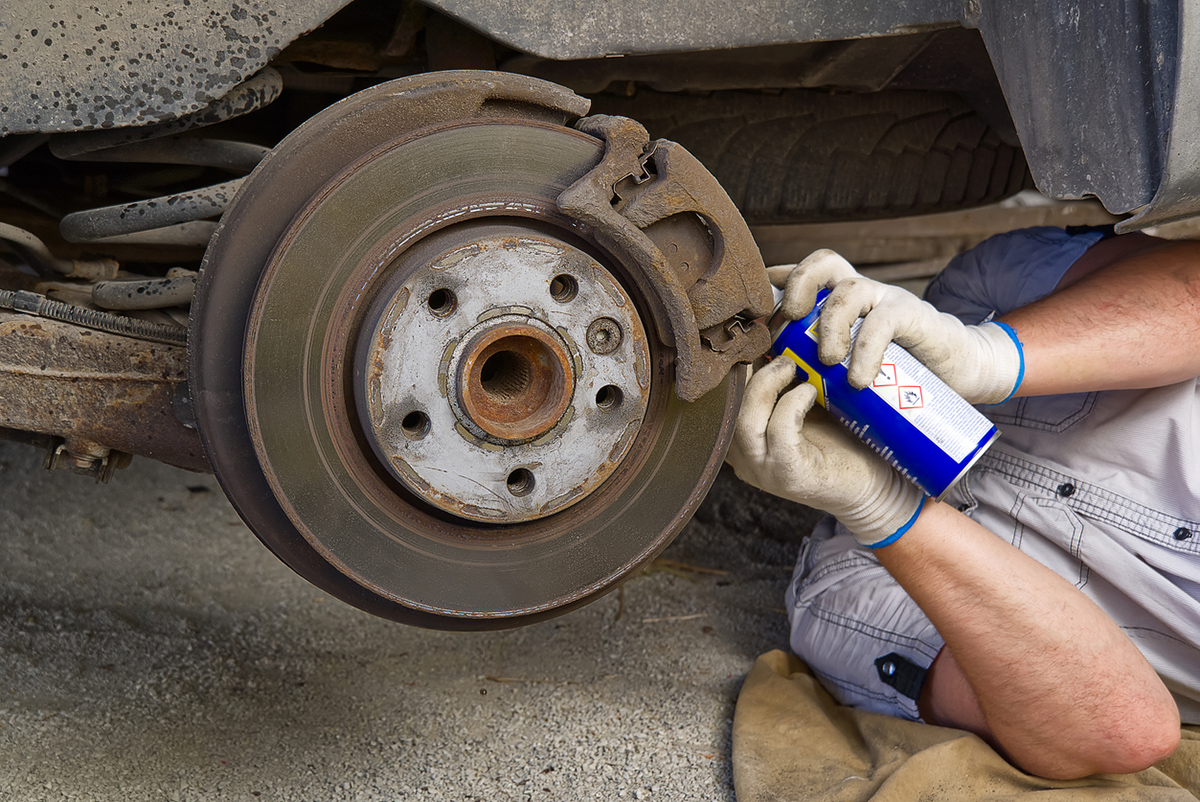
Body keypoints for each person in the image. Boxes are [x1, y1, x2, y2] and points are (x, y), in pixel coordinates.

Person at [726, 226, 1200, 780]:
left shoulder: (978, 293)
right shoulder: (839, 594)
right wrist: (880, 504)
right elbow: (1126, 729)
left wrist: (990, 355)